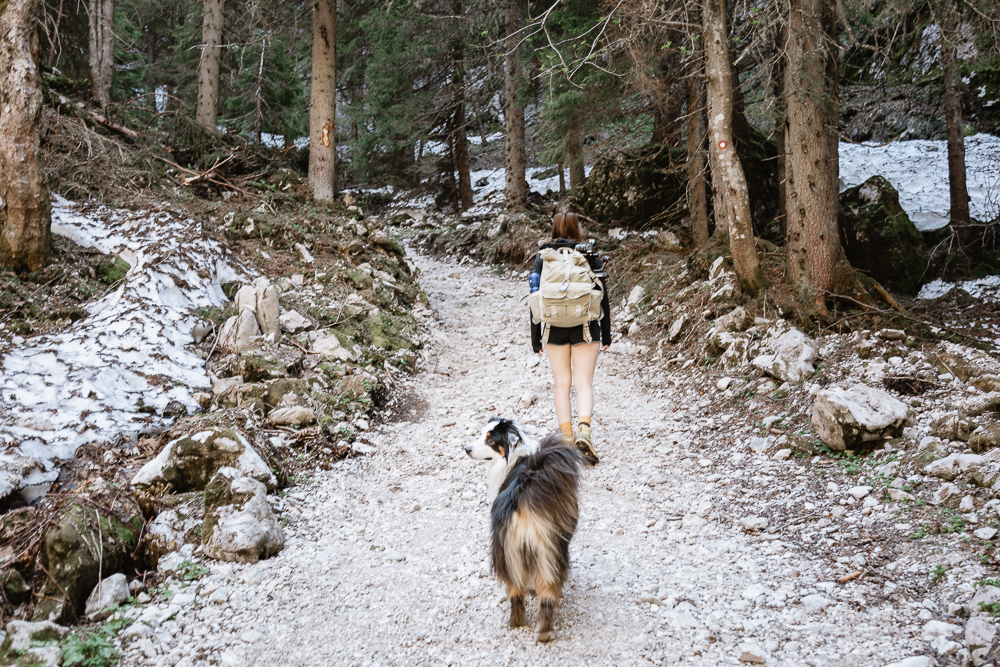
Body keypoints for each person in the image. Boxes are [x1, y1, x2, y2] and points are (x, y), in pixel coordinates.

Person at [529, 208, 611, 465]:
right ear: (577, 228)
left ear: (554, 227)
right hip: (587, 327)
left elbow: (534, 299)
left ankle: (566, 440)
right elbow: (603, 296)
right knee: (584, 383)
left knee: (561, 385)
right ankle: (584, 432)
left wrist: (535, 338)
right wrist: (606, 333)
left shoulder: (543, 257)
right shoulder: (588, 254)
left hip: (553, 329)